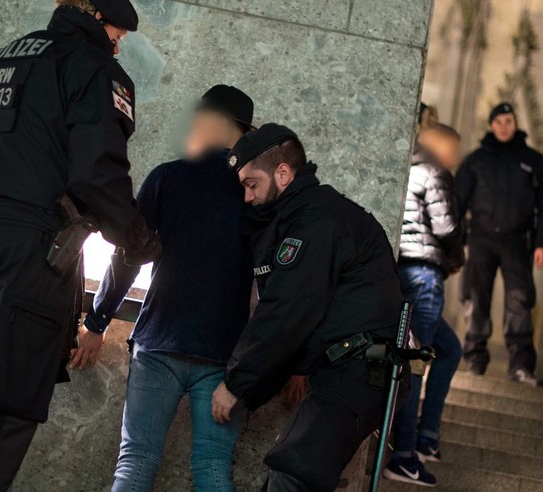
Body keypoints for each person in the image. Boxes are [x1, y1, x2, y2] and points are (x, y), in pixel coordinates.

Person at [0, 1, 162, 490]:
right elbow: (97, 175)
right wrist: (138, 242)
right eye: (118, 30)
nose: (120, 41)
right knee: (0, 395)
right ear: (94, 14)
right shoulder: (94, 69)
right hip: (35, 249)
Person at [211, 124, 406, 492]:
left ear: (282, 174)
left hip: (360, 368)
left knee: (293, 473)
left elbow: (288, 308)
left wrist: (237, 383)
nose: (247, 197)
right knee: (290, 474)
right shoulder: (308, 214)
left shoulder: (314, 221)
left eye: (252, 184)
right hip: (351, 368)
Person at [84, 85, 255, 492]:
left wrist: (97, 320)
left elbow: (130, 255)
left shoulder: (168, 177)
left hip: (160, 341)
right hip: (224, 356)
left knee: (135, 462)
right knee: (213, 467)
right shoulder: (257, 194)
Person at [454, 102, 543, 386]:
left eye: (508, 121)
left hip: (517, 242)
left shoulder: (535, 162)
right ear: (491, 125)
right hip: (480, 240)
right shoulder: (476, 160)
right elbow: (456, 202)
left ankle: (521, 365)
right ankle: (475, 358)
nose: (503, 127)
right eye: (498, 122)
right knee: (475, 299)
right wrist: (456, 240)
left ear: (516, 124)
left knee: (520, 301)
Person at [385, 127, 465, 486]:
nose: (456, 160)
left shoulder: (408, 166)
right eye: (455, 151)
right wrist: (456, 259)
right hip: (425, 276)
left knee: (448, 349)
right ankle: (404, 455)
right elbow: (446, 226)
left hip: (403, 270)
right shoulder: (435, 172)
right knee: (414, 364)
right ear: (443, 147)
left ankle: (426, 435)